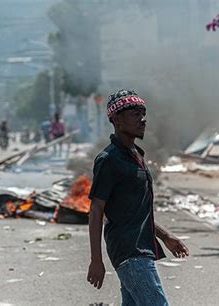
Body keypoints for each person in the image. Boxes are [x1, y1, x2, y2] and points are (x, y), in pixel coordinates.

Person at [87, 89, 189, 305]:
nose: (142, 120)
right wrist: (96, 259)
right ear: (116, 119)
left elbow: (136, 210)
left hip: (140, 249)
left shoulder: (137, 156)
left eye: (143, 114)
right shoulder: (109, 160)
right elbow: (96, 210)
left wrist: (165, 236)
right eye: (135, 114)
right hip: (129, 251)